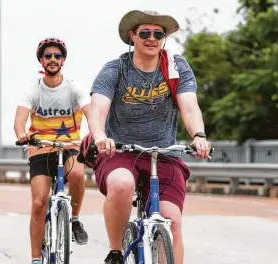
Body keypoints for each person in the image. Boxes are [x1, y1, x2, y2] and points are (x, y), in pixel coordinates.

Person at [78, 10, 212, 264]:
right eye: (145, 33)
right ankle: (116, 251)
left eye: (158, 33)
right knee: (121, 185)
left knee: (171, 223)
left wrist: (199, 135)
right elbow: (97, 109)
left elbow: (190, 107)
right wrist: (100, 136)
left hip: (164, 154)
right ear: (132, 36)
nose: (152, 38)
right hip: (120, 152)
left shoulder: (176, 68)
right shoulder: (116, 69)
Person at [13, 37, 94, 264]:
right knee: (39, 203)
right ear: (41, 60)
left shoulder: (74, 87)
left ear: (63, 61)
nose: (52, 59)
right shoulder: (33, 90)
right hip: (40, 149)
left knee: (78, 174)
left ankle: (75, 219)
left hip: (69, 147)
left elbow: (90, 112)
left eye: (57, 56)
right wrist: (21, 133)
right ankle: (36, 258)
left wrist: (97, 134)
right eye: (47, 56)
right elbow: (19, 119)